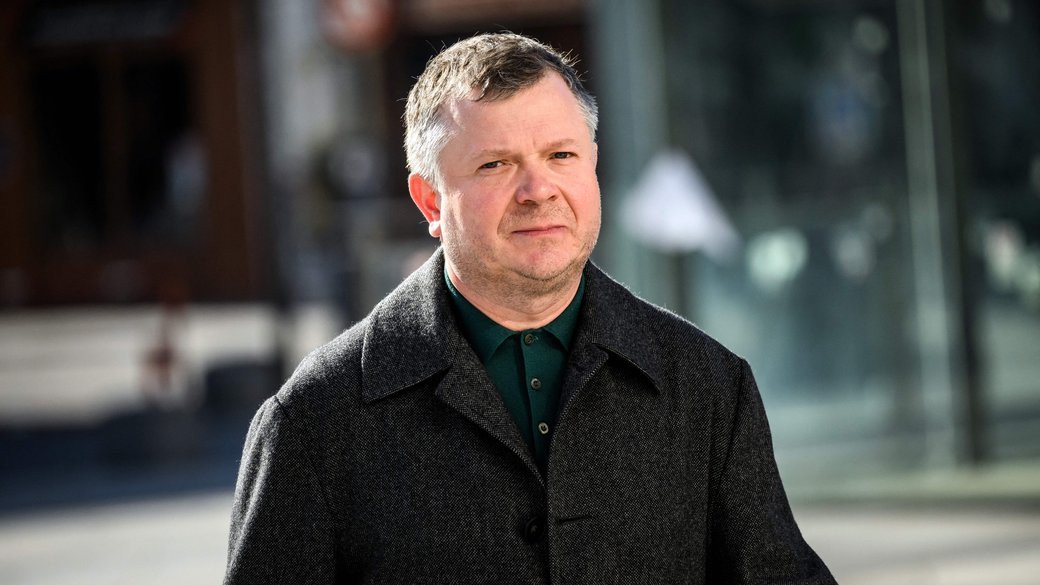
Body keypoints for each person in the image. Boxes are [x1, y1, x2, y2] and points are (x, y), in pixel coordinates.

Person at [224, 32, 836, 584]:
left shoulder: (708, 385)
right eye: (495, 164)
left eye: (561, 156)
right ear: (430, 200)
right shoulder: (313, 419)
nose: (538, 190)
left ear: (592, 165)